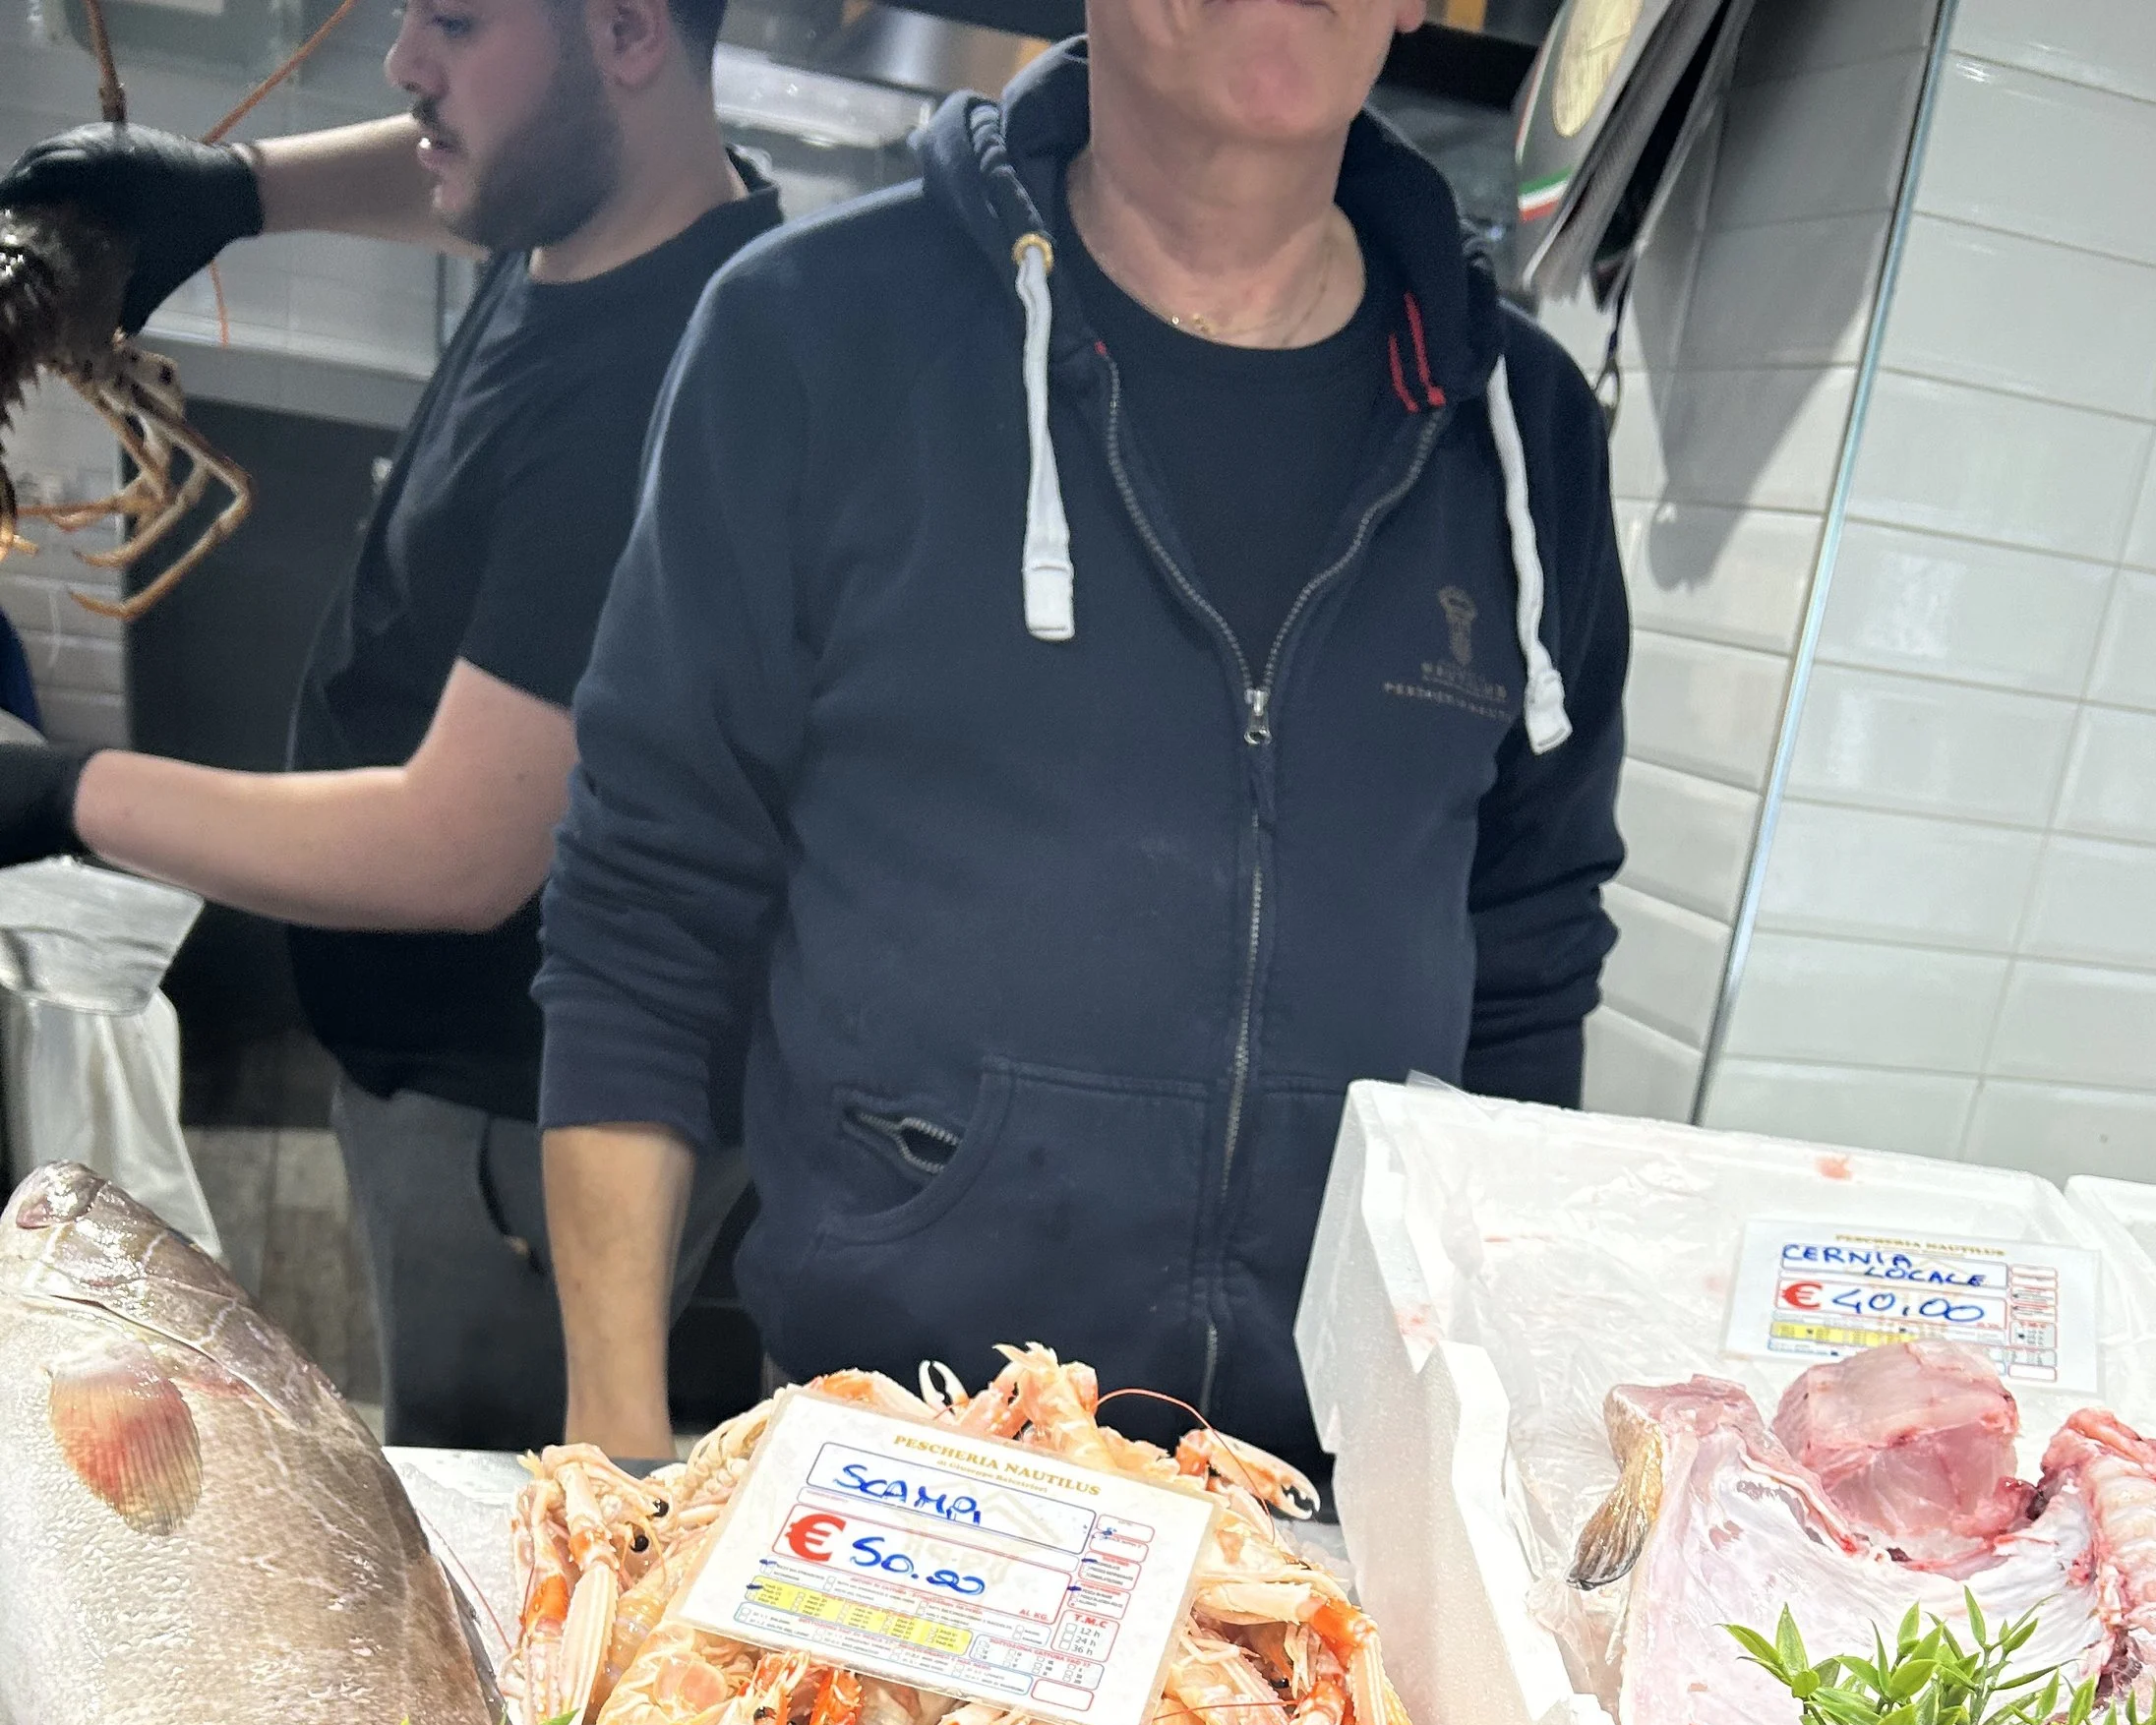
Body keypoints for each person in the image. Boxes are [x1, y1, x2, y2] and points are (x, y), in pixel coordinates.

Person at [535, 0, 1627, 1473]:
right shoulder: (811, 333)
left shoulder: (1522, 427)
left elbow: (1531, 966)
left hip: (1326, 1490)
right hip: (886, 1461)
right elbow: (644, 903)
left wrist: (1499, 1452)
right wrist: (614, 1438)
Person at [0, 0, 780, 1450]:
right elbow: (473, 177)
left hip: (520, 1126)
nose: (406, 64)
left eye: (460, 22)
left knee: (496, 1504)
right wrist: (243, 192)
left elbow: (460, 846)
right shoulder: (610, 205)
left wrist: (61, 794)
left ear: (623, 34)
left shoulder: (655, 398)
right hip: (447, 1070)